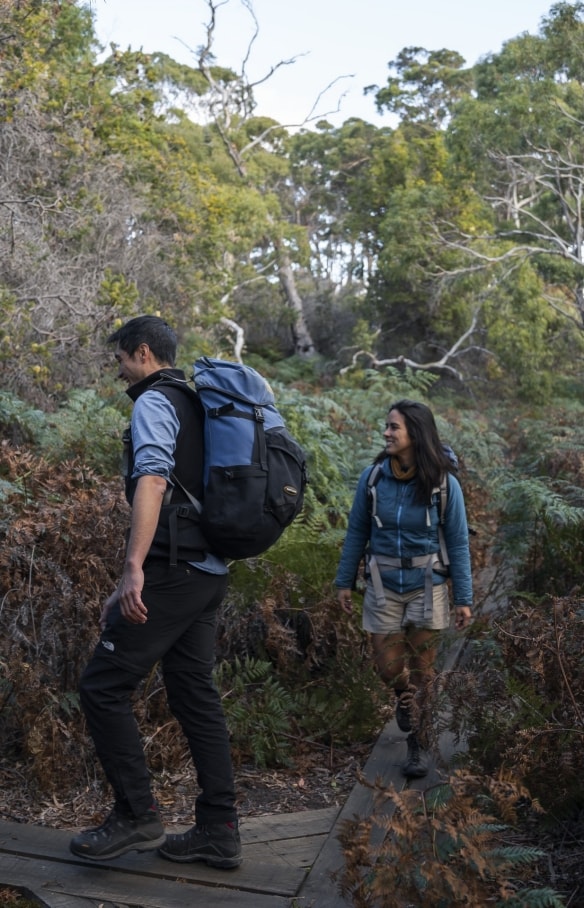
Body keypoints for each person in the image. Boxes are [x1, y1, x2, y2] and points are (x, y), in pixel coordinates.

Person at [69, 315, 242, 868]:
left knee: (102, 686)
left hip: (172, 567)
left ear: (142, 353)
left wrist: (132, 569)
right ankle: (220, 828)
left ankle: (136, 814)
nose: (119, 371)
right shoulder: (197, 401)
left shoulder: (153, 402)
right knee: (195, 696)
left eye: (121, 359)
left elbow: (153, 479)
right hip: (208, 569)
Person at [335, 399, 472, 778]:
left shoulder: (444, 483)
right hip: (382, 584)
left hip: (428, 584)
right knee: (389, 666)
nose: (386, 433)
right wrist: (344, 581)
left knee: (423, 672)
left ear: (416, 432)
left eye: (394, 427)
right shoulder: (373, 478)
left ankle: (418, 742)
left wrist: (464, 598)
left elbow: (458, 541)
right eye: (387, 426)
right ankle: (402, 697)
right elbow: (357, 531)